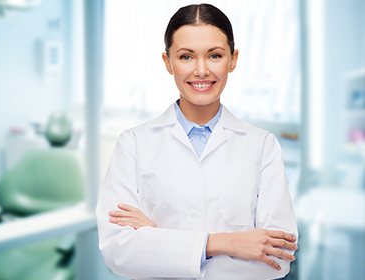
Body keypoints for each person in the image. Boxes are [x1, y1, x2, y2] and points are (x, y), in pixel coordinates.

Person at [96, 3, 298, 279]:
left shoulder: (262, 146)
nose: (201, 70)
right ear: (168, 62)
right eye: (186, 57)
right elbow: (118, 251)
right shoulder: (132, 144)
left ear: (233, 59)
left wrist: (158, 241)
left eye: (214, 56)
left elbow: (277, 257)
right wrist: (226, 243)